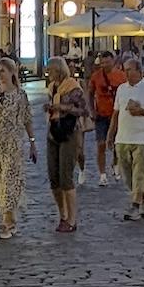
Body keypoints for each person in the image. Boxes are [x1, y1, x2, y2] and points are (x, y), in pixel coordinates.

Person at [0, 56, 36, 241]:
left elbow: (27, 119)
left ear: (12, 72)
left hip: (13, 144)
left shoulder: (20, 96)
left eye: (3, 71)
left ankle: (5, 224)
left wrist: (32, 142)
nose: (0, 75)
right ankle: (11, 220)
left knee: (9, 182)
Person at [109, 55, 144, 222]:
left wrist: (143, 112)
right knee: (127, 175)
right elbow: (116, 113)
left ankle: (134, 205)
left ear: (139, 72)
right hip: (123, 138)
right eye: (124, 70)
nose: (125, 73)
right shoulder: (121, 89)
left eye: (128, 70)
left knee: (140, 173)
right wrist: (110, 134)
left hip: (142, 139)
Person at [43, 56, 88, 233]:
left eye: (51, 70)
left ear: (59, 70)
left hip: (69, 131)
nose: (48, 73)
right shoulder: (52, 87)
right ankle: (62, 214)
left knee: (65, 176)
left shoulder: (73, 87)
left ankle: (72, 218)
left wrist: (63, 108)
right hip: (53, 130)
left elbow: (84, 110)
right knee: (54, 177)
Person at [88, 51, 126, 187]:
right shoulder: (96, 76)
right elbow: (90, 93)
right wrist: (91, 110)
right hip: (101, 115)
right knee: (101, 144)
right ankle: (102, 175)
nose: (104, 65)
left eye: (107, 62)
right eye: (102, 62)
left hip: (117, 115)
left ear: (113, 61)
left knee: (117, 144)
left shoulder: (121, 76)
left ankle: (116, 163)